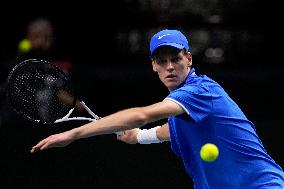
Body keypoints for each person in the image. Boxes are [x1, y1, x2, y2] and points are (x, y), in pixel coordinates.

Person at [30, 29, 284, 189]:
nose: (170, 66)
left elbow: (141, 115)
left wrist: (73, 134)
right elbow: (171, 130)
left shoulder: (201, 91)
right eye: (162, 61)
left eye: (176, 59)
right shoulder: (180, 109)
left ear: (189, 59)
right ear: (153, 66)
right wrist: (139, 136)